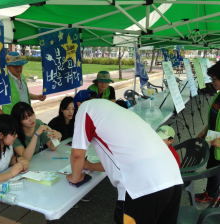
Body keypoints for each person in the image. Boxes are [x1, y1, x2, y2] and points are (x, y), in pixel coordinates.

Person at [67, 90, 183, 224]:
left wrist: (75, 178)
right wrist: (90, 166)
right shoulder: (117, 110)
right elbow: (123, 158)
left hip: (143, 187)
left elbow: (76, 154)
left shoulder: (85, 109)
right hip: (173, 178)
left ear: (79, 105)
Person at [196, 61, 220, 203]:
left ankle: (213, 195)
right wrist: (205, 130)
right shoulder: (219, 95)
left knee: (216, 171)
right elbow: (215, 115)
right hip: (214, 140)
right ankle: (211, 193)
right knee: (212, 167)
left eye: (214, 79)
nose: (212, 83)